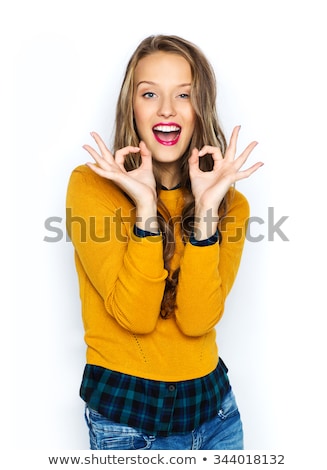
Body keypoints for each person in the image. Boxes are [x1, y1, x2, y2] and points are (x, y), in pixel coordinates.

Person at [66, 34, 263, 450]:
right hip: (127, 419)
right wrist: (145, 206)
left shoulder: (231, 204)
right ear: (131, 107)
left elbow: (196, 321)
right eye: (150, 93)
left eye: (184, 94)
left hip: (215, 414)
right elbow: (134, 316)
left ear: (200, 107)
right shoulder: (90, 187)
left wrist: (208, 211)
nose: (167, 109)